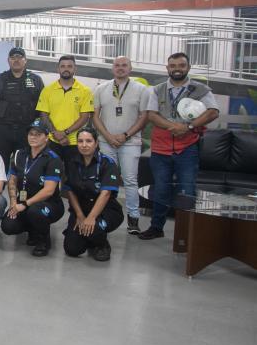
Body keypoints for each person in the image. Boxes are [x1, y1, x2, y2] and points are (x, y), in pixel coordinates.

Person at [141, 52, 219, 240]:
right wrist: (174, 127)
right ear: (167, 68)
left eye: (181, 65)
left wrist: (189, 127)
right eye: (173, 65)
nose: (177, 69)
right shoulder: (156, 90)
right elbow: (151, 114)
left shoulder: (201, 89)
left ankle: (187, 233)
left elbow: (213, 112)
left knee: (187, 190)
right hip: (161, 149)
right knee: (160, 188)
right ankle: (156, 227)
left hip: (188, 149)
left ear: (188, 68)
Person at [92, 56, 149, 234]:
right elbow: (95, 116)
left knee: (130, 180)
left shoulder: (141, 90)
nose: (120, 68)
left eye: (124, 65)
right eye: (117, 65)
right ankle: (105, 213)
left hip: (130, 142)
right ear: (112, 69)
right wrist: (108, 136)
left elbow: (144, 117)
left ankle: (133, 220)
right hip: (106, 142)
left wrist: (125, 135)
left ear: (130, 68)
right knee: (106, 180)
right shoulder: (101, 89)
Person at [1, 119, 65, 257]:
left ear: (46, 137)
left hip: (49, 204)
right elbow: (12, 180)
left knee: (35, 212)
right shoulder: (20, 154)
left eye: (38, 134)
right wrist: (13, 202)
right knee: (8, 226)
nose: (33, 137)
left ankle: (43, 241)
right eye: (31, 134)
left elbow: (49, 190)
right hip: (22, 201)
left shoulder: (53, 159)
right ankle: (33, 230)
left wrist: (24, 204)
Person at [62, 128, 124, 261]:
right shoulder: (72, 162)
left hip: (105, 210)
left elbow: (106, 193)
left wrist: (91, 218)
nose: (84, 145)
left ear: (96, 143)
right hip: (82, 209)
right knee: (72, 249)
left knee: (94, 227)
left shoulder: (107, 163)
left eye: (89, 141)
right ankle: (89, 237)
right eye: (80, 141)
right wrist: (79, 215)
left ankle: (102, 244)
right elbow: (70, 190)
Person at [0, 47, 44, 172]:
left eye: (19, 57)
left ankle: (21, 191)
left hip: (26, 131)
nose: (16, 60)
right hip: (2, 130)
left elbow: (42, 104)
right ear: (8, 61)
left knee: (25, 166)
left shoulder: (36, 80)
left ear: (25, 60)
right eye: (13, 58)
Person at [36, 55, 93, 164]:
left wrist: (65, 133)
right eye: (63, 66)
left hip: (76, 142)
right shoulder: (47, 90)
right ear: (58, 69)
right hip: (52, 141)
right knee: (52, 175)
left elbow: (85, 117)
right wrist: (55, 133)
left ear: (75, 69)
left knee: (73, 177)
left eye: (69, 66)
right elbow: (43, 114)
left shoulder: (85, 91)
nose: (66, 69)